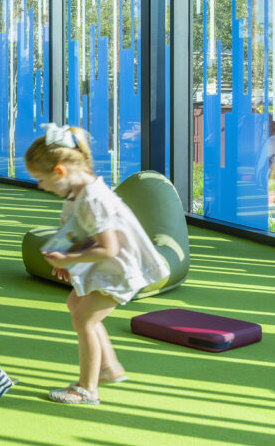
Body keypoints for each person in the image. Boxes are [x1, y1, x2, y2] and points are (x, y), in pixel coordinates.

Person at [25, 123, 168, 406]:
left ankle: (87, 390)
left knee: (85, 320)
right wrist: (67, 259)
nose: (40, 186)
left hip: (118, 269)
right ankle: (108, 366)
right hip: (108, 266)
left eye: (41, 179)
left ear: (60, 171)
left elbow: (109, 248)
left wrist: (69, 259)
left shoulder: (93, 198)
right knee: (76, 305)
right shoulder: (78, 193)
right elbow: (82, 231)